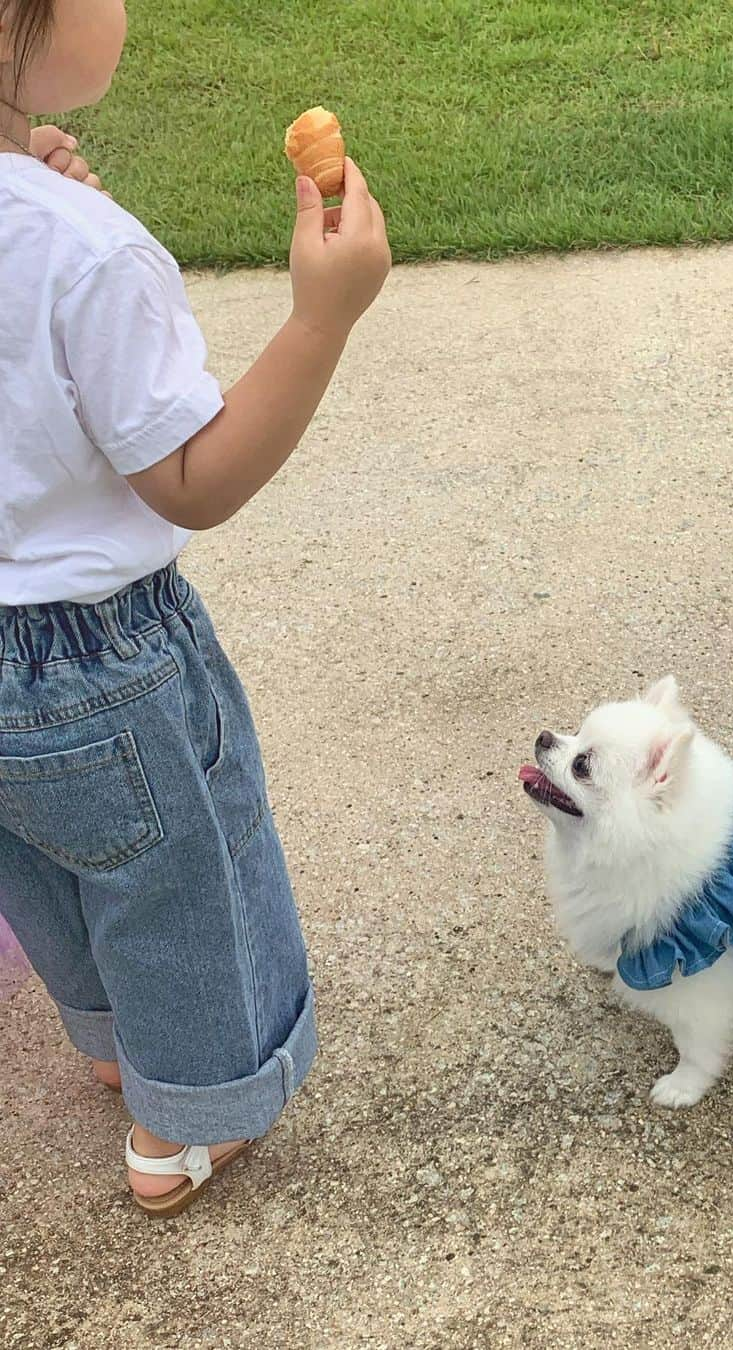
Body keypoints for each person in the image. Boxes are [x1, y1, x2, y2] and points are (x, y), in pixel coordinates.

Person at [0, 0, 391, 1215]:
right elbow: (190, 476)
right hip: (95, 653)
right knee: (180, 880)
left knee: (42, 863)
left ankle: (114, 1039)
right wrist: (322, 319)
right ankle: (187, 1120)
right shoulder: (85, 251)